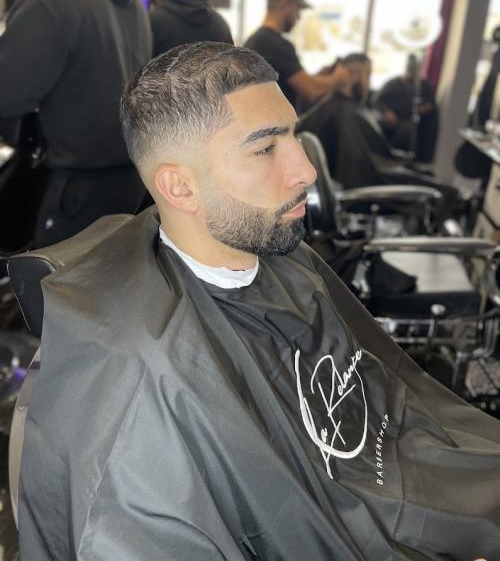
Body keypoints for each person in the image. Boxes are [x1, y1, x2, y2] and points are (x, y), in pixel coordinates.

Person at [19, 42, 500, 560]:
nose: (306, 171)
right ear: (179, 187)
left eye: (293, 135)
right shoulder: (143, 394)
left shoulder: (283, 257)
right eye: (265, 149)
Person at [0, 0, 152, 247]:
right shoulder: (131, 2)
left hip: (72, 186)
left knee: (54, 278)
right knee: (103, 272)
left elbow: (7, 93)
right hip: (128, 178)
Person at [244, 0, 342, 109]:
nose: (299, 17)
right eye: (298, 9)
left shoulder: (256, 39)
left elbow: (292, 82)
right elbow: (312, 90)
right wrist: (340, 78)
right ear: (285, 4)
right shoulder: (276, 45)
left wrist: (317, 77)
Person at [296, 53, 371, 181]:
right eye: (368, 76)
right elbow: (356, 170)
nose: (368, 83)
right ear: (353, 74)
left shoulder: (335, 106)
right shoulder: (342, 112)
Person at [375, 54, 439, 163]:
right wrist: (387, 112)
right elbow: (377, 100)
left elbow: (430, 104)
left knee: (410, 131)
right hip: (393, 121)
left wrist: (423, 109)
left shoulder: (424, 86)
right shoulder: (393, 84)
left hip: (413, 123)